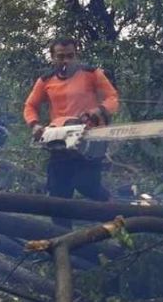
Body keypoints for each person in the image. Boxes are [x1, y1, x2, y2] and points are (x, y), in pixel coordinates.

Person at [23, 37, 119, 228]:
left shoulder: (92, 74)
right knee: (59, 193)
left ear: (77, 55)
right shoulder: (46, 80)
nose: (66, 61)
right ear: (52, 57)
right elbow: (30, 105)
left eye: (70, 56)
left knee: (87, 185)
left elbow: (112, 98)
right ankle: (63, 242)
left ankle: (116, 216)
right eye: (61, 57)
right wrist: (34, 124)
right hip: (60, 141)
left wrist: (98, 111)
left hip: (90, 139)